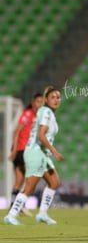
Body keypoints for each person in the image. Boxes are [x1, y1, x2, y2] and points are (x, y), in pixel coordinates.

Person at [4, 86, 63, 225]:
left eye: (58, 97)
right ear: (46, 100)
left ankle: (42, 214)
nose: (56, 100)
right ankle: (11, 215)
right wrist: (54, 151)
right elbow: (41, 135)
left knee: (54, 182)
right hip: (35, 153)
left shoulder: (48, 113)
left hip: (42, 154)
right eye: (52, 97)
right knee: (29, 188)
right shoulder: (46, 112)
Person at [8, 93, 43, 216]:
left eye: (41, 102)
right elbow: (16, 131)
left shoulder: (36, 116)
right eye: (38, 101)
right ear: (33, 102)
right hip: (22, 151)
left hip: (22, 151)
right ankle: (21, 205)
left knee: (19, 181)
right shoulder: (28, 114)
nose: (40, 104)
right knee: (30, 180)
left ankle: (13, 207)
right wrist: (14, 150)